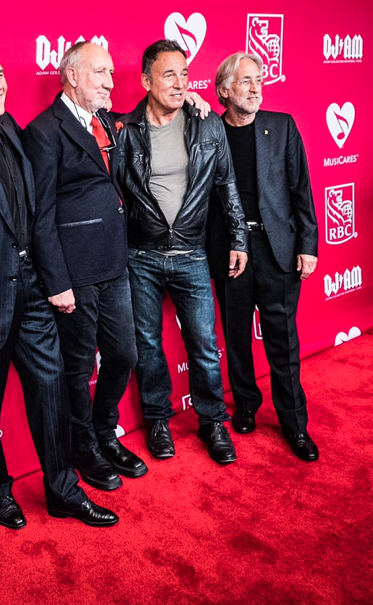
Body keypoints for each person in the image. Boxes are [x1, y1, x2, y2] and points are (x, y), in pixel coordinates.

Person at [0, 48, 119, 530]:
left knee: (52, 390)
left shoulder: (12, 129)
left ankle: (62, 490)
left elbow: (35, 216)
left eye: (0, 74)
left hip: (32, 292)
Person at [116, 40, 248, 464]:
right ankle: (157, 419)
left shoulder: (207, 124)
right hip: (141, 255)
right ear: (145, 81)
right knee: (148, 345)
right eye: (168, 74)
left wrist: (238, 238)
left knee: (205, 345)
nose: (179, 83)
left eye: (185, 75)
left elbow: (226, 184)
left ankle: (212, 422)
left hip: (192, 252)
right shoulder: (124, 128)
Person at [22, 42, 145, 490]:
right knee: (77, 368)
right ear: (72, 76)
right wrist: (57, 281)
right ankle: (83, 445)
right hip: (74, 273)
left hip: (114, 262)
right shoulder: (44, 131)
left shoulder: (108, 120)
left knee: (124, 355)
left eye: (112, 73)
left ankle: (102, 430)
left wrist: (190, 99)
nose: (111, 82)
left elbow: (142, 122)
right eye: (101, 73)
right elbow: (41, 214)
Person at [207, 52, 319, 461]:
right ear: (224, 91)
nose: (256, 88)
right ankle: (247, 405)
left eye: (259, 81)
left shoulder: (282, 126)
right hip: (229, 251)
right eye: (246, 81)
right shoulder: (209, 130)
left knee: (283, 340)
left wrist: (308, 245)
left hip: (277, 250)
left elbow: (301, 190)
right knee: (236, 337)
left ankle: (294, 423)